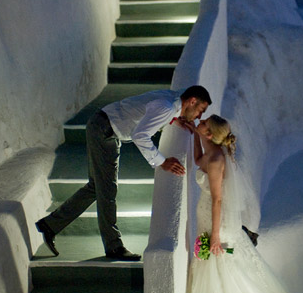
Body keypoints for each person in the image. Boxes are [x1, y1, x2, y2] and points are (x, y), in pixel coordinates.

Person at [35, 86, 212, 260]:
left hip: (103, 126)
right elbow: (140, 135)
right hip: (104, 130)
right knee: (107, 191)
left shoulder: (172, 100)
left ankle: (50, 224)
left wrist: (174, 119)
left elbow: (152, 110)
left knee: (95, 187)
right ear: (192, 101)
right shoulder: (166, 107)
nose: (199, 116)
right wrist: (162, 161)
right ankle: (114, 247)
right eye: (200, 110)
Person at [181, 115, 301, 293]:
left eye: (203, 123)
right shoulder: (211, 153)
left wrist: (216, 235)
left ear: (209, 133)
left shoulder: (217, 158)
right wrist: (194, 134)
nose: (200, 121)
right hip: (208, 217)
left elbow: (218, 199)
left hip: (216, 221)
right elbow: (199, 160)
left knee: (221, 264)